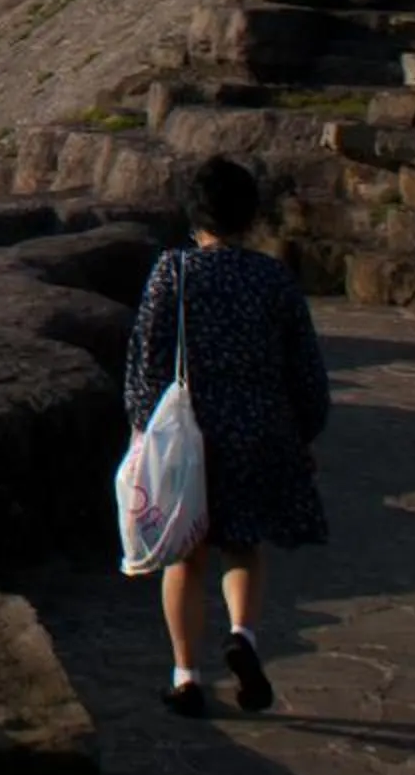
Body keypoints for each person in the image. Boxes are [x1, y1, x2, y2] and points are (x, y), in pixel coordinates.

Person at [125, 157, 333, 718]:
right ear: (249, 215)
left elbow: (146, 362)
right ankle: (242, 635)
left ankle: (186, 675)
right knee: (244, 544)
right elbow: (306, 369)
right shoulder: (273, 278)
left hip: (190, 435)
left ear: (195, 216)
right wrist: (304, 430)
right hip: (260, 428)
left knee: (184, 557)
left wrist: (145, 431)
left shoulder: (175, 271)